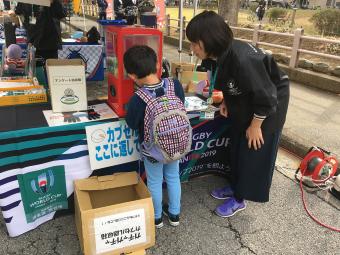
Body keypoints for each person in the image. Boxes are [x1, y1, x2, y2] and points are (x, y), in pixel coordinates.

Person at [186, 11, 290, 217]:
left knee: (252, 151)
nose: (192, 48)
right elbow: (226, 81)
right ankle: (234, 186)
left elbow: (267, 97)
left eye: (194, 43)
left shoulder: (243, 59)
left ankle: (240, 198)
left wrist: (255, 126)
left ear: (207, 41)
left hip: (268, 105)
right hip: (246, 99)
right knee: (237, 144)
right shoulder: (219, 56)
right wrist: (226, 100)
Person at [124, 45, 186, 228]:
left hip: (153, 150)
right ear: (158, 64)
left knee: (155, 180)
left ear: (132, 76)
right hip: (176, 144)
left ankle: (156, 218)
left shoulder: (138, 98)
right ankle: (174, 215)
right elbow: (180, 106)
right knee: (174, 176)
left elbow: (131, 123)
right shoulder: (175, 85)